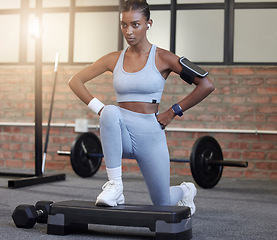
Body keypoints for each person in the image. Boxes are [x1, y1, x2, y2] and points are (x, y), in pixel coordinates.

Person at [69, 0, 215, 215]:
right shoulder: (113, 58)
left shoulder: (163, 57)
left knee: (162, 203)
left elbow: (206, 85)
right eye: (124, 25)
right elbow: (76, 81)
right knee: (109, 111)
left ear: (148, 24)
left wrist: (172, 112)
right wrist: (100, 110)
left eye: (135, 24)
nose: (129, 31)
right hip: (121, 133)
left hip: (150, 134)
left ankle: (185, 190)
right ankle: (115, 186)